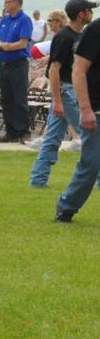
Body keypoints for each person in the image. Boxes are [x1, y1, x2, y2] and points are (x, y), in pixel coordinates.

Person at [31, 0, 99, 189]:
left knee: (52, 138)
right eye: (90, 10)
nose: (92, 14)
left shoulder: (81, 35)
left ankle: (38, 180)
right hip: (66, 92)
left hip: (68, 93)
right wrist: (57, 101)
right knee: (91, 135)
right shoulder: (65, 37)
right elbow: (54, 70)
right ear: (81, 14)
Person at [56, 13, 100, 222]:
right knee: (91, 163)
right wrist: (86, 109)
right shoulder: (95, 30)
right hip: (96, 109)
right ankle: (67, 205)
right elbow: (78, 70)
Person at [0, 0, 33, 142]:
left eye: (7, 2)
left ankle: (23, 132)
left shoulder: (24, 19)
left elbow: (23, 43)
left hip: (18, 65)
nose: (5, 5)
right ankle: (11, 132)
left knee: (19, 99)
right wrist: (3, 46)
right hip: (3, 65)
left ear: (16, 3)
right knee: (6, 99)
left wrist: (2, 48)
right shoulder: (6, 19)